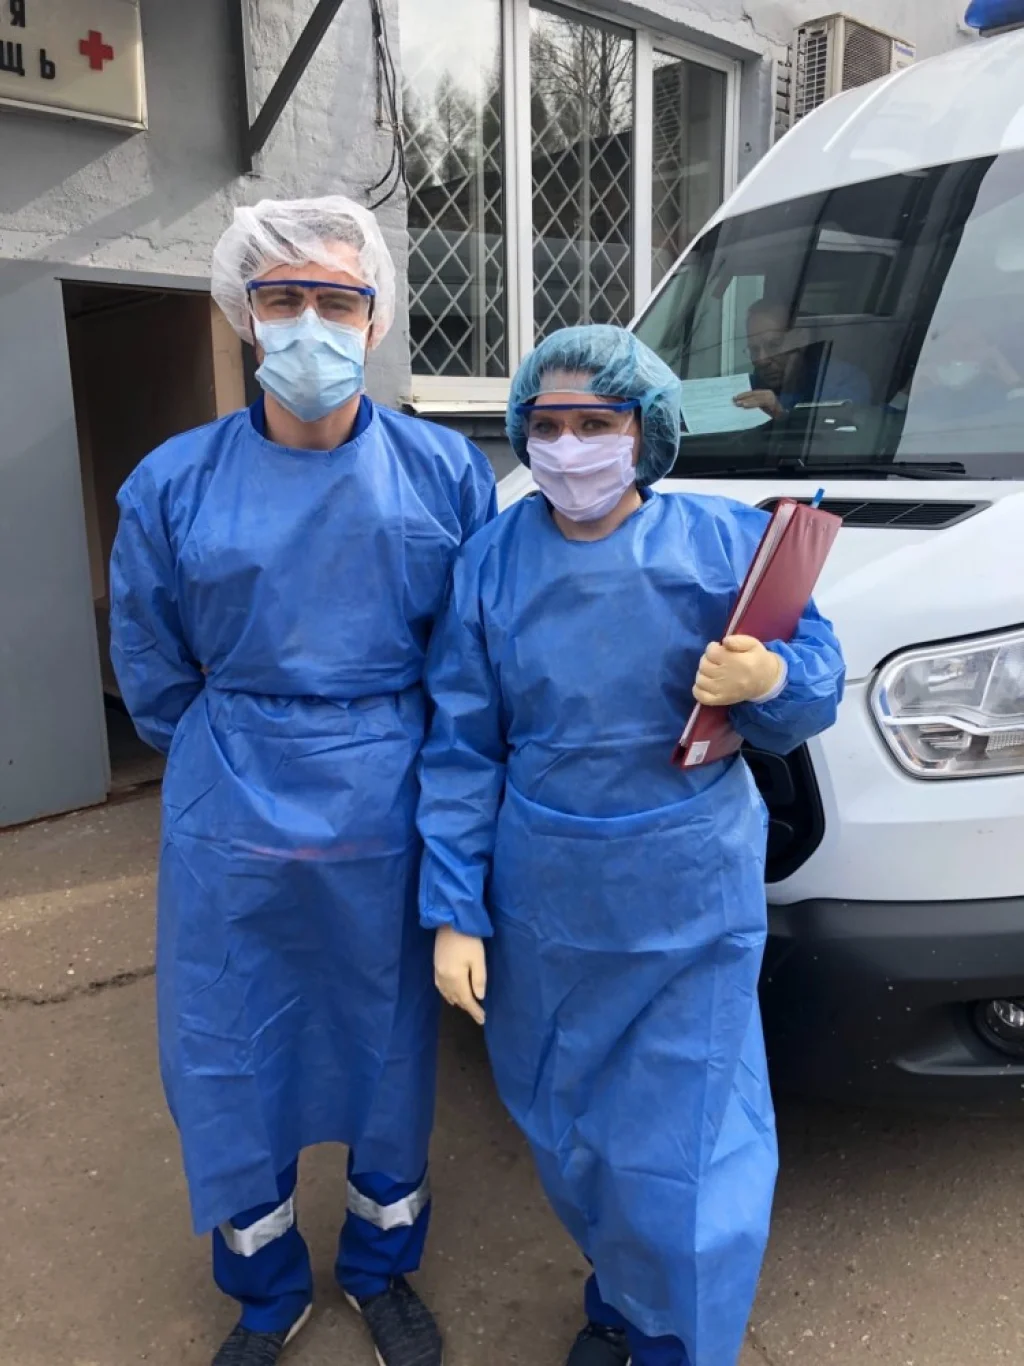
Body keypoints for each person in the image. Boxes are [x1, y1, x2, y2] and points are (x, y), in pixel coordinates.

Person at [109, 196, 496, 1366]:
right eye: (282, 297)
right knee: (231, 1050)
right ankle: (264, 1287)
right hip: (232, 812)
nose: (310, 322)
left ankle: (380, 1267)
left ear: (375, 319)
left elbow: (471, 670)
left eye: (337, 297)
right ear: (245, 314)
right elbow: (151, 665)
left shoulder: (442, 471)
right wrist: (234, 753)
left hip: (392, 807)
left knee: (390, 1051)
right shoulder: (173, 482)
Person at [416, 325, 845, 1366]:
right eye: (549, 424)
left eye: (596, 422)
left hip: (686, 895)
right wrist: (454, 910)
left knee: (689, 1146)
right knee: (573, 1131)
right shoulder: (492, 563)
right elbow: (463, 748)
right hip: (545, 903)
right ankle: (621, 1296)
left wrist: (772, 678)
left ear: (644, 429)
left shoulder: (722, 544)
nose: (569, 447)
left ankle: (676, 1340)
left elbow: (814, 677)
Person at [734, 298, 871, 418]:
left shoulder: (842, 382)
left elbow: (835, 434)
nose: (761, 360)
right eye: (754, 349)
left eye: (774, 345)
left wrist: (781, 413)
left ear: (802, 339)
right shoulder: (748, 388)